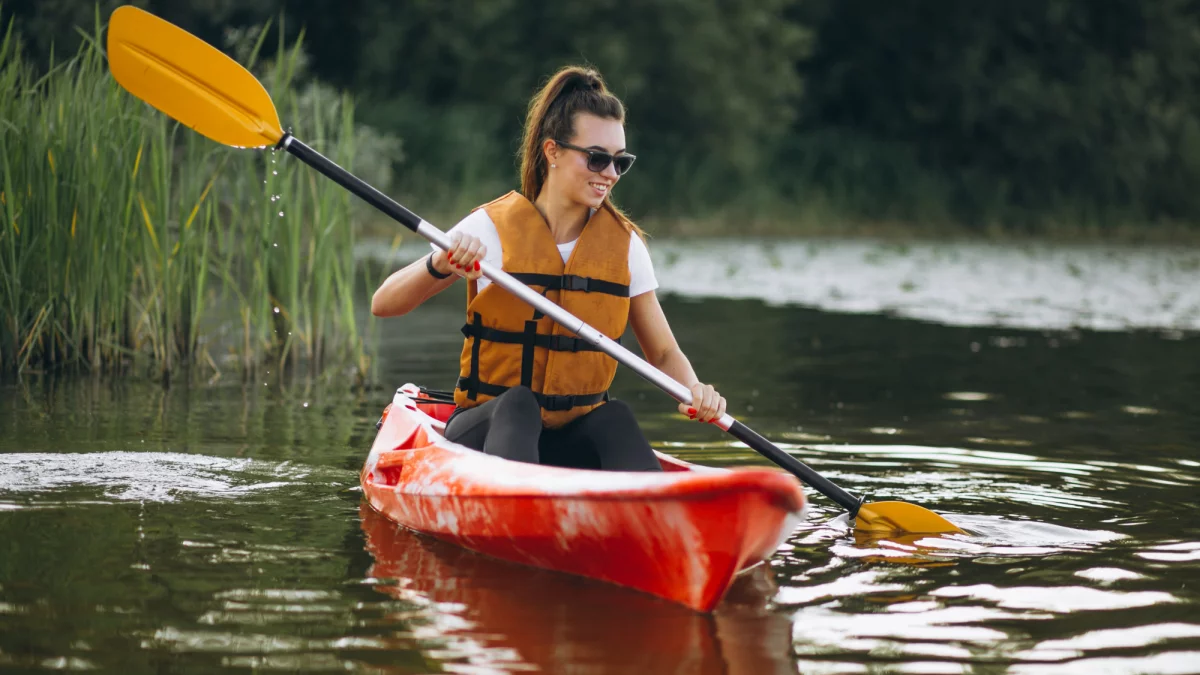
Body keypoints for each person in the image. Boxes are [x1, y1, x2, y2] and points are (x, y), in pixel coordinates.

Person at [371, 65, 726, 472]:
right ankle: (513, 504)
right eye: (596, 159)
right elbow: (385, 304)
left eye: (619, 162)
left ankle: (656, 516)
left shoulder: (625, 246)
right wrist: (440, 262)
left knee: (615, 417)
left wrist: (696, 390)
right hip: (485, 432)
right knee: (519, 404)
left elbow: (662, 352)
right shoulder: (490, 228)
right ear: (552, 151)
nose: (609, 174)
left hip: (569, 437)